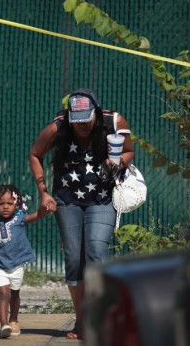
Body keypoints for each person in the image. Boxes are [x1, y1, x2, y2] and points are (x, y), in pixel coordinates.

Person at [28, 88, 134, 339]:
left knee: (96, 251)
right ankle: (82, 319)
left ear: (96, 111)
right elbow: (35, 154)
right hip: (67, 200)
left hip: (102, 197)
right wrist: (43, 192)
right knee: (74, 260)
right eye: (77, 121)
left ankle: (102, 319)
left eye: (87, 119)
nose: (82, 125)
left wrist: (118, 162)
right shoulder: (58, 128)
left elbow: (129, 151)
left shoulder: (114, 122)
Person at [0, 184, 49, 339]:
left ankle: (13, 319)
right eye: (1, 203)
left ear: (17, 204)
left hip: (17, 264)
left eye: (10, 203)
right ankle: (4, 325)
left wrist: (45, 209)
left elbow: (37, 216)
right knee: (4, 293)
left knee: (14, 294)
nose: (5, 207)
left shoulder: (20, 218)